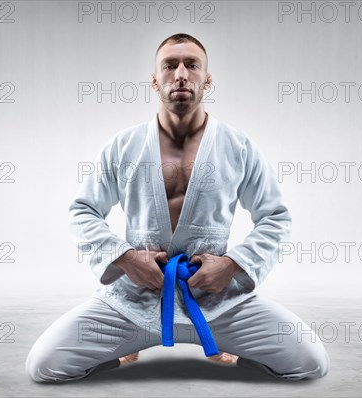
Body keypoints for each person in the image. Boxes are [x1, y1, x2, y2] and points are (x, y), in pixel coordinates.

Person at [25, 33, 330, 382]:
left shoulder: (237, 146)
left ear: (207, 79)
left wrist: (230, 266)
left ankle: (226, 347)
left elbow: (275, 217)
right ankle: (123, 354)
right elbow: (82, 211)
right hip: (138, 298)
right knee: (45, 364)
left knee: (310, 361)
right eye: (170, 66)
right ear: (155, 80)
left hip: (215, 298)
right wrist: (127, 259)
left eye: (192, 65)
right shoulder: (124, 146)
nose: (181, 74)